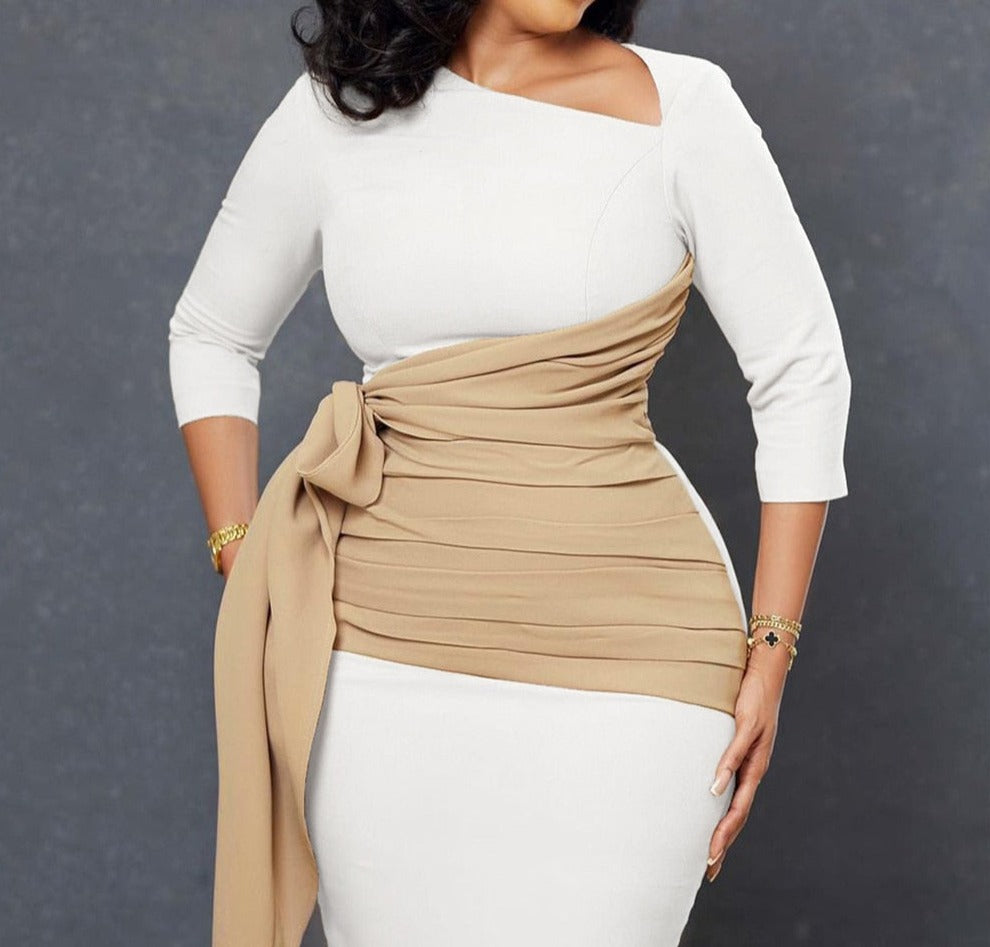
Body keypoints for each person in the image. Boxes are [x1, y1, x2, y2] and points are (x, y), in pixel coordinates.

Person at [167, 2, 851, 945]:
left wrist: (771, 650)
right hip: (374, 660)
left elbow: (803, 371)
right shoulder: (341, 109)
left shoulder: (686, 105)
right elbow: (211, 332)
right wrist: (242, 555)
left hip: (635, 664)